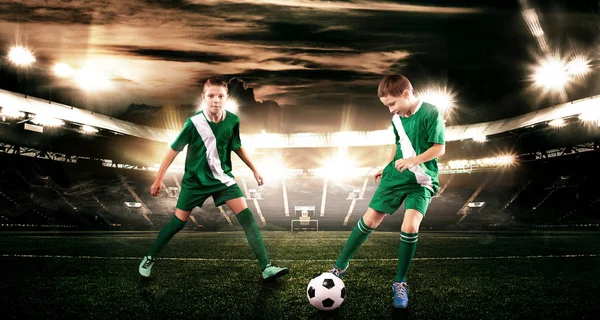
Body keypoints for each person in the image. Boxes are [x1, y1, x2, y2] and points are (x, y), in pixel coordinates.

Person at [139, 76, 289, 282]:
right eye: (211, 96)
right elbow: (173, 150)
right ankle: (149, 257)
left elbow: (236, 146)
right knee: (177, 223)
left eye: (220, 96)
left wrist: (254, 168)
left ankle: (266, 267)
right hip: (195, 181)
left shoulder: (233, 121)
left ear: (226, 98)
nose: (215, 100)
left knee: (247, 218)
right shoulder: (193, 123)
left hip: (223, 179)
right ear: (203, 97)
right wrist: (158, 179)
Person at [328, 74, 445, 308]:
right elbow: (398, 144)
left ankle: (400, 283)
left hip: (421, 179)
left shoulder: (431, 112)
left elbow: (439, 148)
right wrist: (386, 165)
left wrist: (414, 161)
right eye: (387, 106)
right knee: (369, 220)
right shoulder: (397, 120)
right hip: (395, 175)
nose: (391, 110)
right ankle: (339, 267)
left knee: (410, 226)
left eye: (392, 104)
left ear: (406, 94)